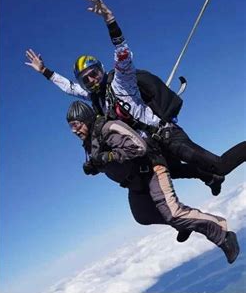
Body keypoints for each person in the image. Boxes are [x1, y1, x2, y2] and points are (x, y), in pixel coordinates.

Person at [25, 0, 246, 195]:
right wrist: (44, 71)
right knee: (175, 171)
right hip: (152, 144)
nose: (92, 80)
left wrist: (110, 19)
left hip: (167, 134)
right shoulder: (95, 98)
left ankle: (214, 173)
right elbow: (68, 87)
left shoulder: (121, 82)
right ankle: (210, 178)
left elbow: (123, 54)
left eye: (94, 73)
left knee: (220, 165)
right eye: (86, 78)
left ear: (101, 70)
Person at [66, 100, 240, 264]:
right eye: (71, 127)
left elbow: (138, 147)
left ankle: (222, 234)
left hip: (151, 169)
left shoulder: (108, 128)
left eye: (76, 124)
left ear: (86, 119)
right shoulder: (91, 142)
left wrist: (109, 156)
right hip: (136, 182)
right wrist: (94, 166)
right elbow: (107, 161)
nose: (74, 130)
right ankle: (183, 223)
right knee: (143, 216)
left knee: (174, 213)